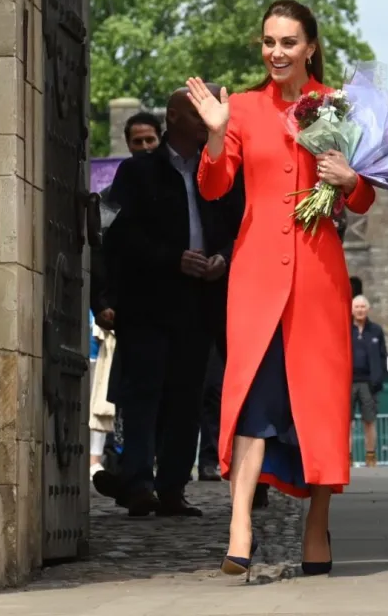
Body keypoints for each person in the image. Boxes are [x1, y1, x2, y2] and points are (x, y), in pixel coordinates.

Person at [186, 0, 376, 579]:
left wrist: (351, 180)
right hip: (256, 275)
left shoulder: (341, 107)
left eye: (288, 42)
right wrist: (217, 136)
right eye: (269, 42)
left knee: (317, 402)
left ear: (310, 47)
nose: (276, 52)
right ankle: (239, 525)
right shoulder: (239, 108)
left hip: (319, 277)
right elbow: (214, 186)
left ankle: (317, 525)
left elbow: (366, 196)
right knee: (250, 397)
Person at [100, 88, 236, 517]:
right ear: (174, 117)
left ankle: (173, 487)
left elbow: (238, 225)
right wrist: (171, 259)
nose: (209, 119)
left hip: (200, 305)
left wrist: (223, 259)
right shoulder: (137, 173)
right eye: (200, 111)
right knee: (144, 395)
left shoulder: (222, 173)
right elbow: (117, 233)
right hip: (150, 302)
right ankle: (138, 483)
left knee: (186, 397)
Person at [350, 295, 388, 467]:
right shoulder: (344, 329)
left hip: (368, 383)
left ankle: (371, 457)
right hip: (347, 383)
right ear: (351, 309)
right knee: (346, 423)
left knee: (370, 421)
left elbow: (382, 356)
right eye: (357, 306)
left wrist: (379, 378)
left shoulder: (376, 330)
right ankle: (347, 457)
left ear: (368, 309)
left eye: (362, 306)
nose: (360, 310)